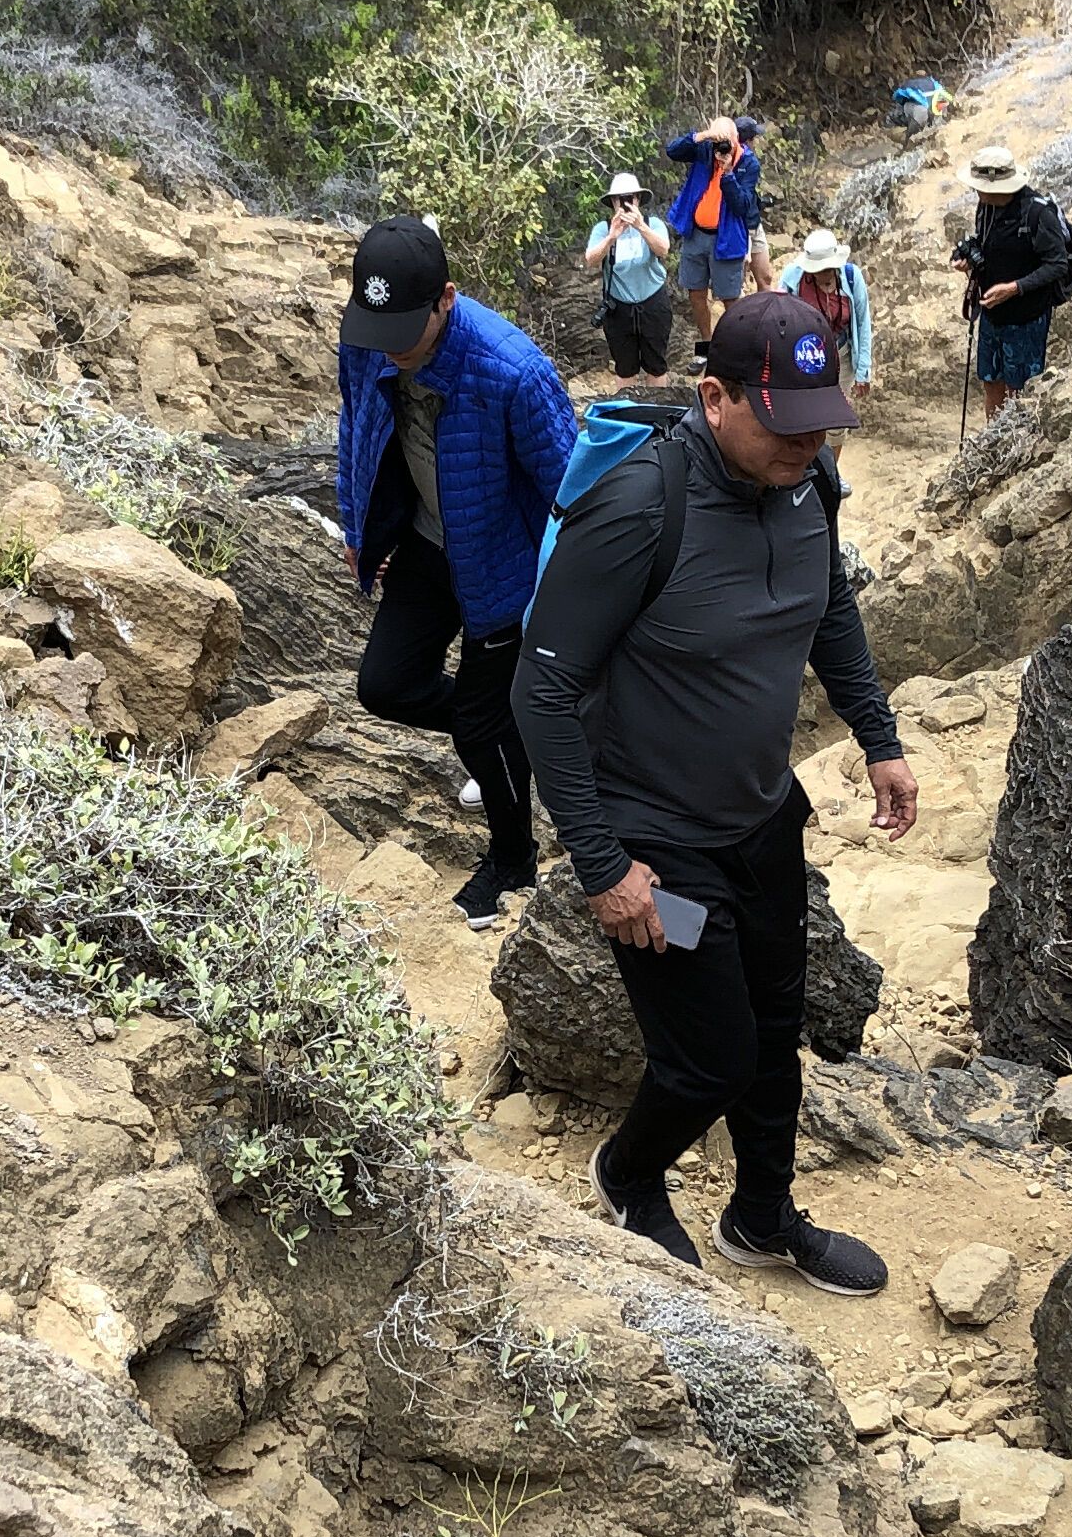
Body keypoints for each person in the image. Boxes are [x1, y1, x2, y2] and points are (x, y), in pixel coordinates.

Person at [515, 293, 918, 1290]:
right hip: (657, 840)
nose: (808, 442)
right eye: (785, 423)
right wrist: (603, 867)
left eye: (820, 421)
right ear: (715, 398)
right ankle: (628, 1171)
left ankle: (762, 1216)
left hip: (763, 817)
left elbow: (830, 609)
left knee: (777, 1035)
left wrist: (878, 739)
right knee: (711, 1058)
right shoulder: (640, 506)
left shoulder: (809, 478)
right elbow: (541, 691)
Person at [335, 213, 576, 928]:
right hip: (427, 541)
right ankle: (508, 736)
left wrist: (568, 595)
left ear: (446, 298)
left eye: (406, 330)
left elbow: (572, 489)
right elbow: (355, 422)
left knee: (478, 725)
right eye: (379, 328)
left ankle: (513, 860)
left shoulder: (514, 371)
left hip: (505, 565)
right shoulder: (369, 338)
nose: (391, 348)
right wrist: (357, 522)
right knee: (386, 686)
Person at [952, 142, 1072, 420]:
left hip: (1026, 319)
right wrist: (968, 260)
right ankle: (992, 437)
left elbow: (1057, 264)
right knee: (990, 381)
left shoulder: (1038, 214)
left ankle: (1013, 439)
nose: (976, 191)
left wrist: (1014, 288)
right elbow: (986, 243)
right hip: (992, 313)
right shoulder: (986, 207)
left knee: (1020, 392)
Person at [657, 112, 766, 342]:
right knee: (695, 293)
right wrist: (703, 136)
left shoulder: (748, 163)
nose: (723, 146)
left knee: (730, 298)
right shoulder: (705, 149)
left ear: (737, 138)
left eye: (727, 140)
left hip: (726, 237)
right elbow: (672, 151)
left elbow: (742, 206)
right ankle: (706, 344)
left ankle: (733, 346)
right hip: (695, 234)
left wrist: (728, 174)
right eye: (719, 140)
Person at [772, 227, 872, 460]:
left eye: (827, 269)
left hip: (841, 355)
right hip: (805, 358)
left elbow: (863, 322)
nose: (823, 274)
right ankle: (806, 467)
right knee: (806, 416)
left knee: (836, 419)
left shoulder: (851, 277)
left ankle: (830, 471)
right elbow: (778, 320)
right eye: (817, 270)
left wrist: (863, 370)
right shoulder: (793, 278)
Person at [584, 173, 678, 379]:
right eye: (620, 199)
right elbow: (590, 259)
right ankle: (626, 401)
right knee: (624, 368)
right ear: (613, 202)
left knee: (656, 366)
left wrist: (640, 226)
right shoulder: (603, 229)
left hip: (653, 302)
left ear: (638, 199)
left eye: (630, 198)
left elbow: (663, 250)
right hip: (619, 307)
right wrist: (611, 237)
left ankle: (658, 400)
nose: (625, 203)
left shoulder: (653, 224)